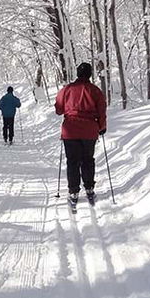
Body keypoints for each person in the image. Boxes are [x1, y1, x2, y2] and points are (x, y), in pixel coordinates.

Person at [55, 62, 107, 207]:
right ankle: (89, 188)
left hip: (70, 130)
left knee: (72, 161)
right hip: (89, 130)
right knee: (87, 159)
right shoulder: (95, 91)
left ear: (77, 73)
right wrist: (102, 127)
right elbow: (102, 111)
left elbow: (59, 109)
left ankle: (73, 191)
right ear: (90, 74)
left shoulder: (67, 89)